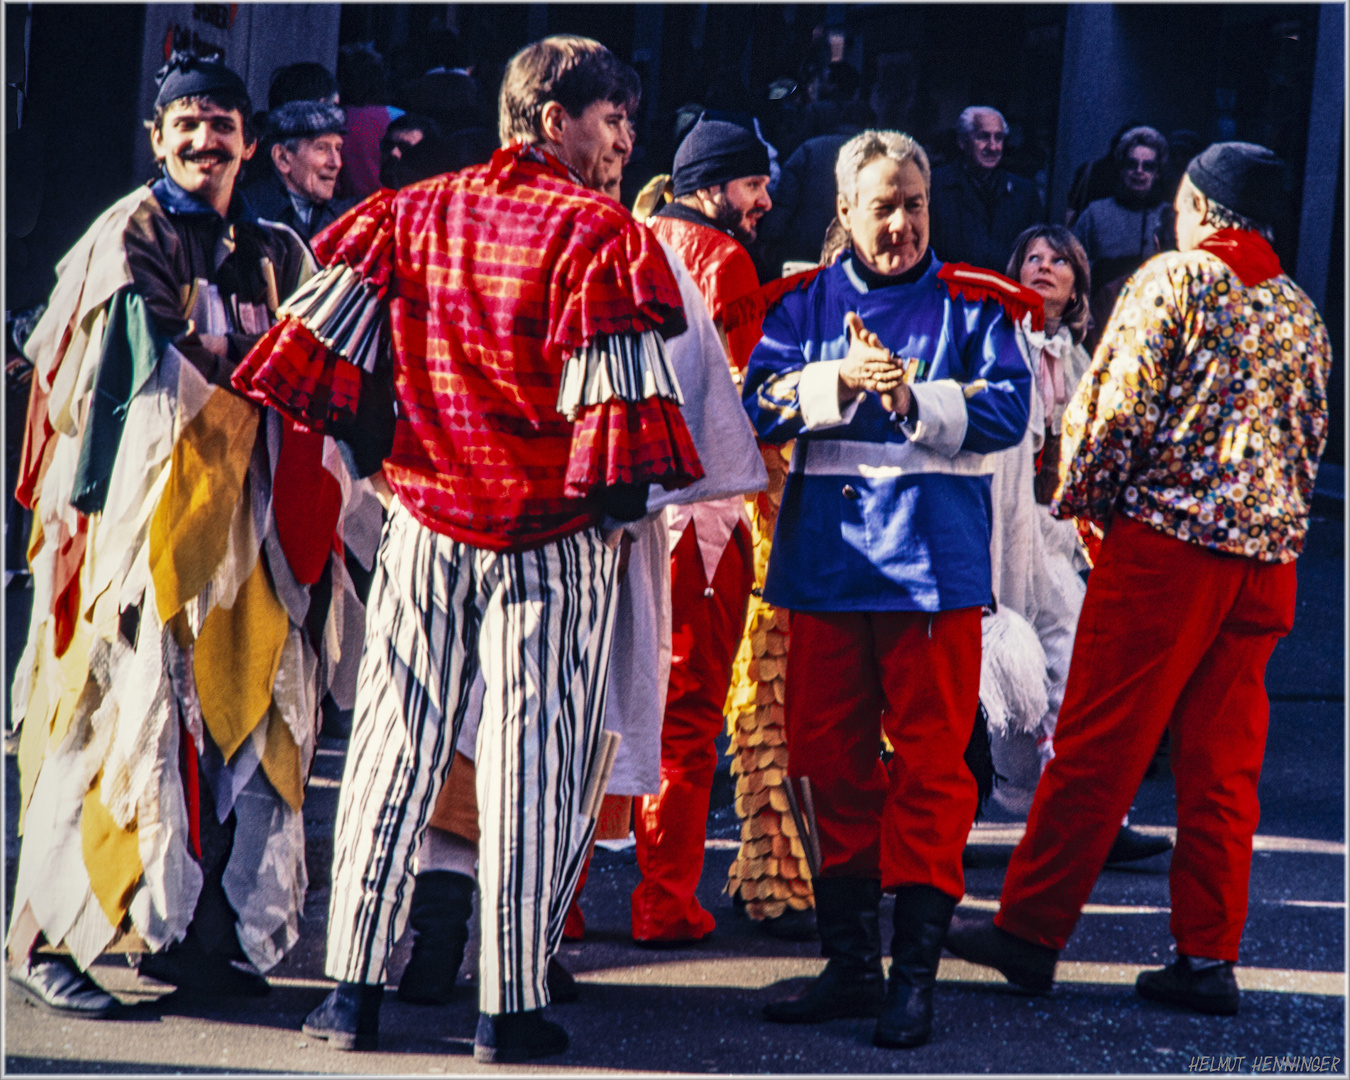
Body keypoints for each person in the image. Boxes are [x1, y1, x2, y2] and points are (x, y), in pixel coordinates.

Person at [231, 35, 703, 1063]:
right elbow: (619, 431)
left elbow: (316, 355)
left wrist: (391, 464)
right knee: (537, 764)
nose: (626, 137)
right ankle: (509, 1009)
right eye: (611, 117)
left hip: (427, 524)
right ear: (551, 120)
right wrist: (615, 516)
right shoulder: (600, 235)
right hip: (551, 539)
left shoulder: (414, 210)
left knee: (392, 752)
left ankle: (348, 993)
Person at [7, 51, 372, 1017]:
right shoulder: (127, 234)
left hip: (247, 544)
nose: (207, 139)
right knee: (105, 725)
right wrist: (249, 360)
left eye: (224, 124)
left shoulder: (280, 250)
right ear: (158, 136)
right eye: (189, 123)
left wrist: (238, 357)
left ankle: (196, 943)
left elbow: (320, 366)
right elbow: (146, 374)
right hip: (133, 543)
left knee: (237, 734)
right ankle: (43, 938)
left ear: (251, 143)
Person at [945, 143, 1330, 1018]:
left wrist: (1078, 501)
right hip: (1265, 563)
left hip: (1167, 550)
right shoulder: (1303, 311)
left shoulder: (1175, 280)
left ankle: (1031, 931)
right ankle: (1205, 956)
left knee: (1097, 740)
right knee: (1224, 765)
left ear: (1200, 204)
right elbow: (1310, 441)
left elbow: (1111, 413)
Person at [745, 129, 1032, 1049]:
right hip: (828, 573)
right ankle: (849, 968)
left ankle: (914, 978)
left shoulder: (979, 305)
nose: (903, 222)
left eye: (916, 203)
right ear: (844, 215)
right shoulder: (798, 304)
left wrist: (912, 398)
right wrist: (838, 377)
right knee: (830, 763)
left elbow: (1008, 407)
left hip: (931, 576)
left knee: (932, 773)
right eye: (884, 206)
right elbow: (757, 399)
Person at [630, 116, 771, 943]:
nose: (762, 201)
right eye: (753, 185)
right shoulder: (726, 259)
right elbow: (746, 402)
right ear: (717, 186)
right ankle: (665, 900)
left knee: (606, 703)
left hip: (618, 507)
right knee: (687, 714)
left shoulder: (633, 235)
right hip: (704, 518)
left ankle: (565, 906)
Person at [1071, 126, 1169, 349]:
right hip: (1100, 325)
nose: (1139, 171)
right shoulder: (1095, 214)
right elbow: (1072, 269)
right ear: (1121, 168)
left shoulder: (1170, 217)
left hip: (1152, 328)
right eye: (1132, 164)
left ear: (1158, 172)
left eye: (1148, 166)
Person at [927, 106, 1043, 272]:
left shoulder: (1024, 192)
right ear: (962, 141)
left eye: (999, 138)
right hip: (949, 292)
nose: (993, 147)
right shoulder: (935, 186)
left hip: (1006, 294)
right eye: (983, 137)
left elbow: (1036, 252)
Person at [241, 100, 354, 245]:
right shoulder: (248, 213)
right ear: (282, 158)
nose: (336, 163)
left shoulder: (345, 217)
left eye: (337, 148)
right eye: (321, 148)